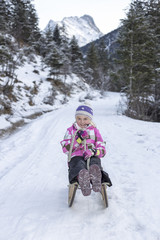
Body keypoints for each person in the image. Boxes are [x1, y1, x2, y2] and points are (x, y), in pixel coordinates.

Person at [60, 102, 112, 196]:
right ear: (75, 118)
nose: (82, 121)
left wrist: (95, 151)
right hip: (76, 155)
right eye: (79, 118)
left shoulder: (94, 131)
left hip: (91, 154)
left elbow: (101, 145)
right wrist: (78, 140)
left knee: (94, 162)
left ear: (90, 119)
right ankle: (82, 178)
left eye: (85, 119)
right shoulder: (71, 130)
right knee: (79, 164)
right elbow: (65, 148)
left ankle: (96, 177)